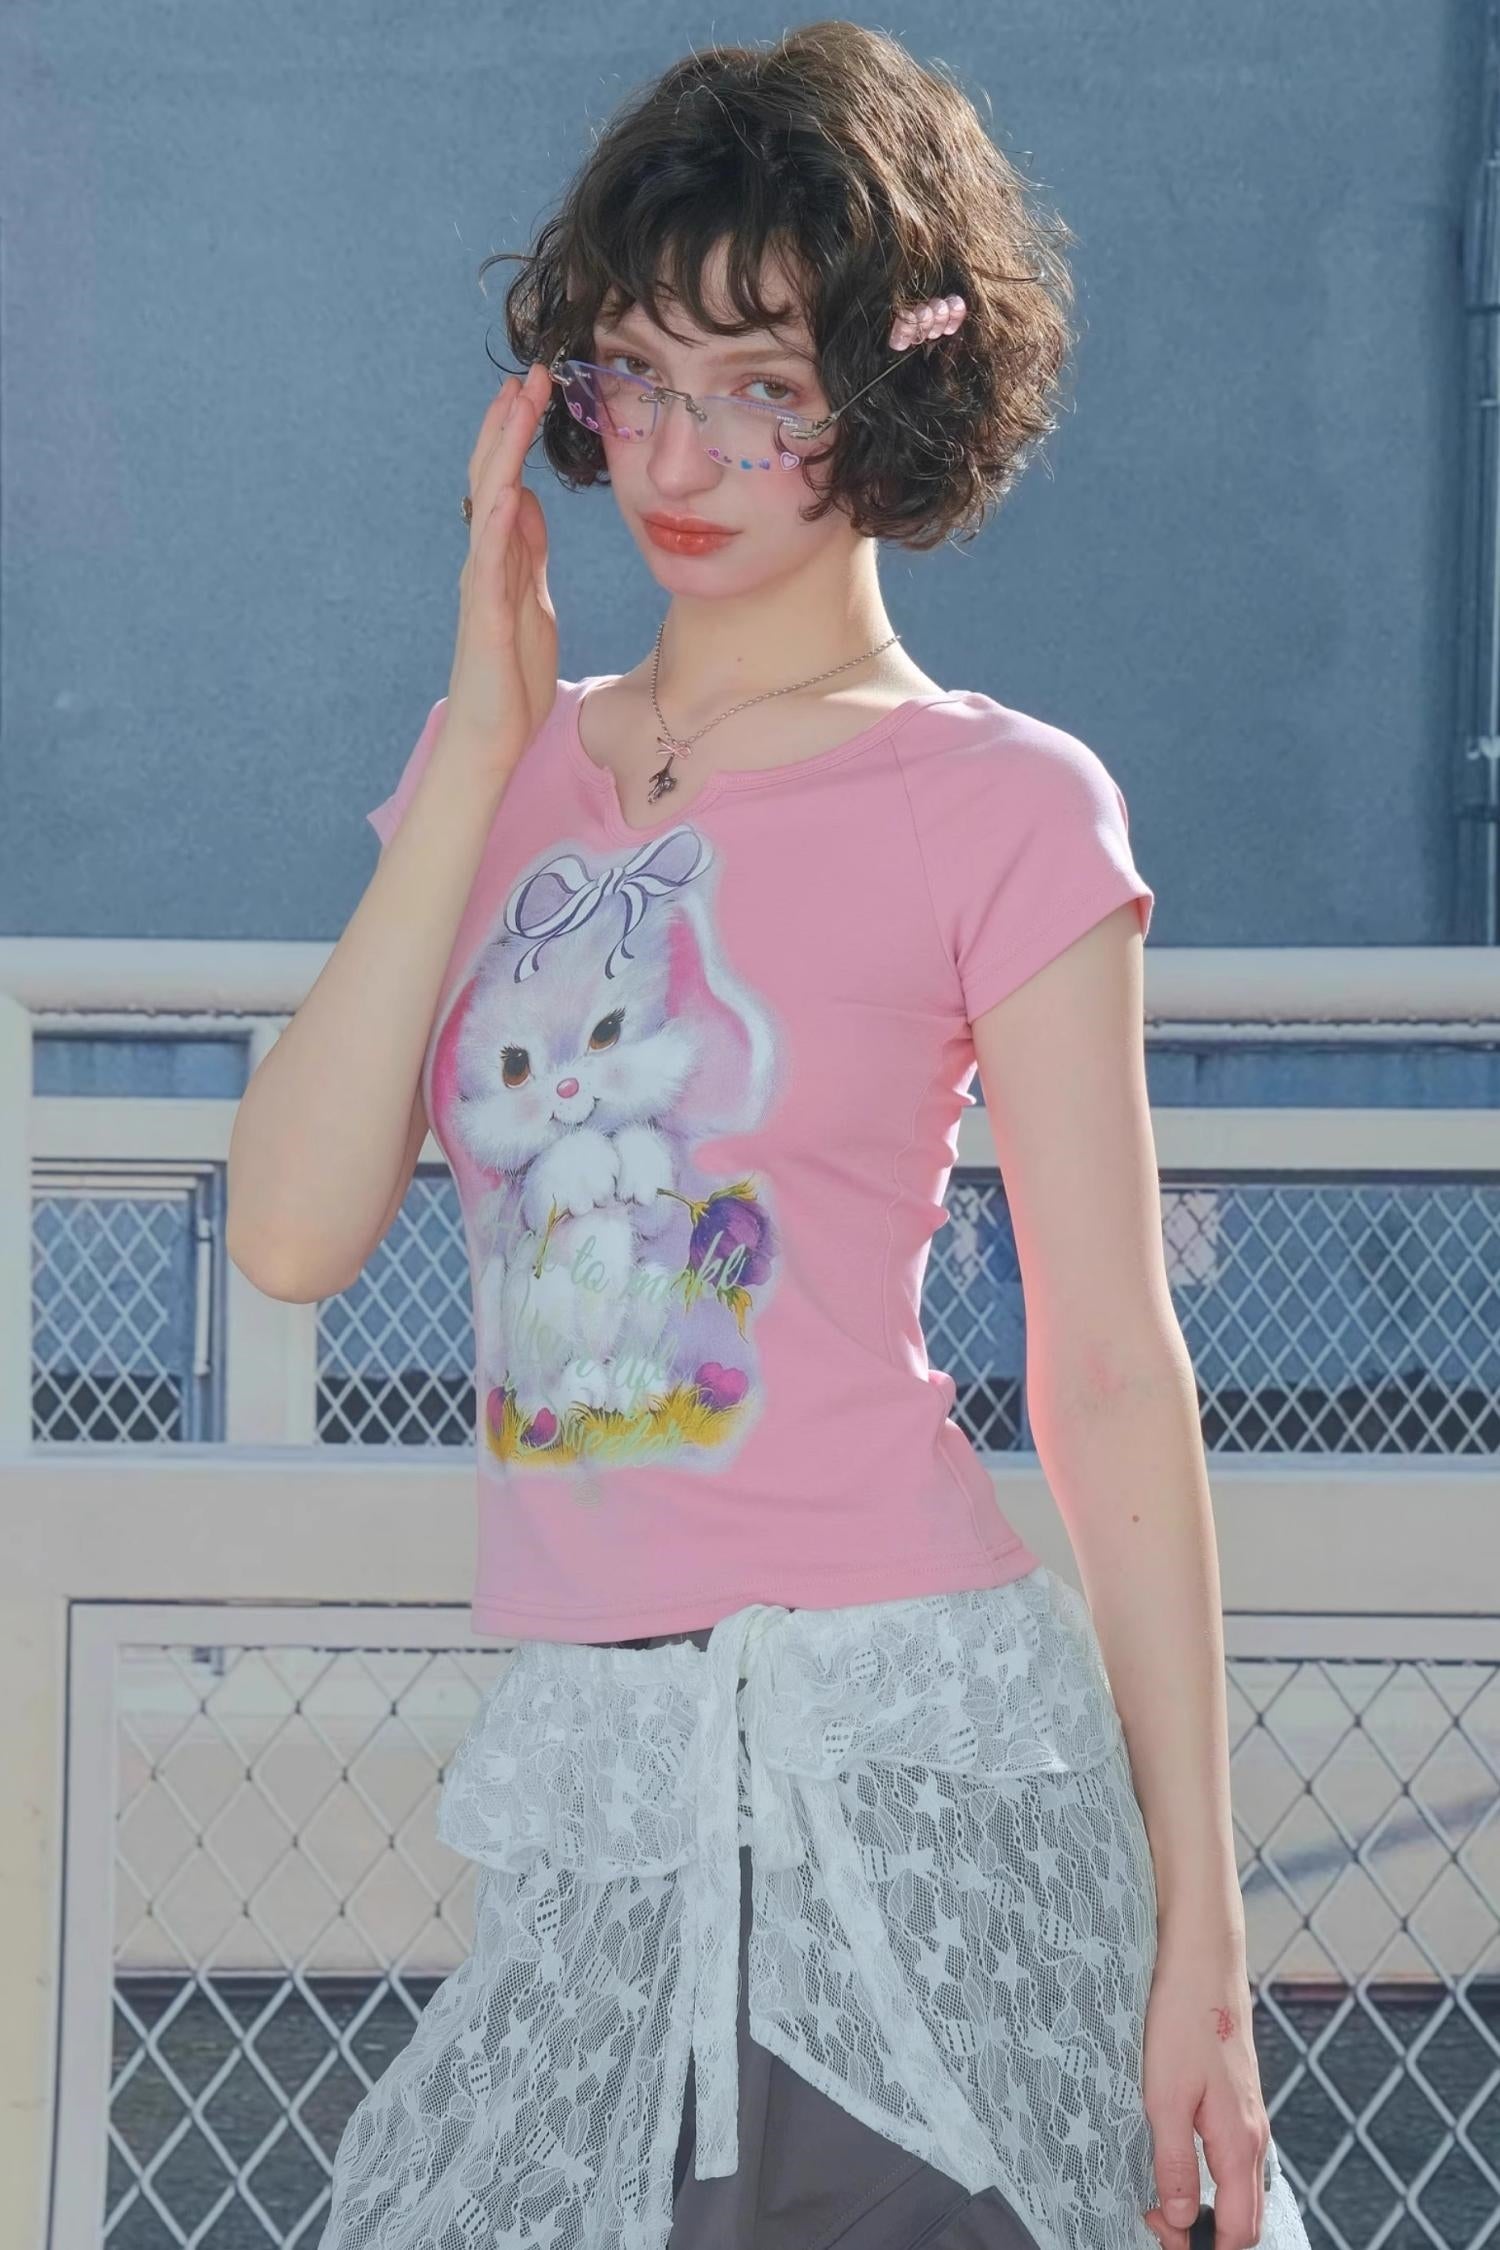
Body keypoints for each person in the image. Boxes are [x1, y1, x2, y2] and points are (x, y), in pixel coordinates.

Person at [228, 22, 1315, 2250]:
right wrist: (480, 745)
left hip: (906, 1782)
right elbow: (292, 1230)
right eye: (638, 376)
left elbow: (1111, 1367)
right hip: (603, 1808)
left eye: (762, 388)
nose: (681, 454)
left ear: (893, 401)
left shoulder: (1002, 802)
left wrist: (1203, 1925)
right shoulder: (504, 758)